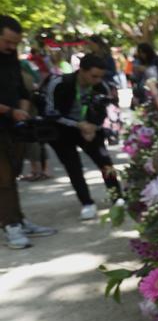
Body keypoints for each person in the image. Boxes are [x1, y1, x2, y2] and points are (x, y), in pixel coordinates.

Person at [44, 53, 123, 220]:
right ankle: (87, 202)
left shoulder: (103, 86)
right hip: (63, 131)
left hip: (92, 129)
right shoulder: (60, 84)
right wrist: (78, 125)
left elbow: (110, 111)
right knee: (73, 167)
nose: (97, 80)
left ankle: (117, 196)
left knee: (105, 162)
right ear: (81, 71)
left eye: (100, 76)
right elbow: (50, 113)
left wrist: (95, 127)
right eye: (93, 76)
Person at [0, 15, 55, 248]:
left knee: (11, 176)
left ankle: (17, 220)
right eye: (8, 42)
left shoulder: (11, 58)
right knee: (2, 178)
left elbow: (22, 91)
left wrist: (21, 111)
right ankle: (11, 226)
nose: (12, 48)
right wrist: (11, 112)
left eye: (15, 43)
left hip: (14, 126)